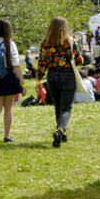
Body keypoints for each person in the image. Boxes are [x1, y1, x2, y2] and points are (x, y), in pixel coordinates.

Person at [36, 17, 84, 147]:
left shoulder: (45, 42)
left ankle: (62, 134)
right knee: (66, 107)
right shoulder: (70, 41)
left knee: (58, 105)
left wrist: (39, 78)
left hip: (52, 76)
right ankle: (60, 129)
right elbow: (79, 60)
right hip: (67, 75)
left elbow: (41, 62)